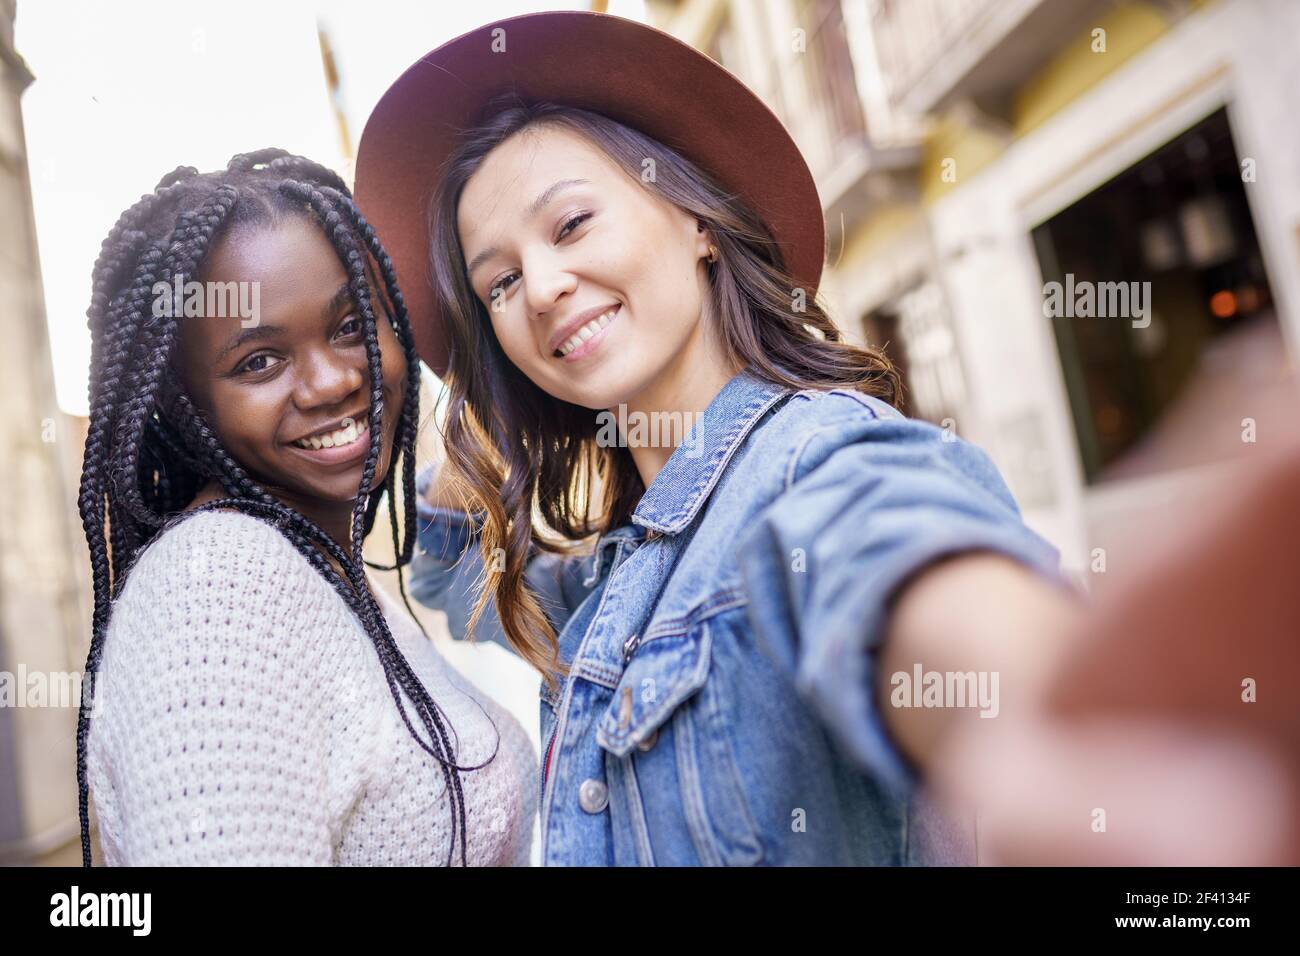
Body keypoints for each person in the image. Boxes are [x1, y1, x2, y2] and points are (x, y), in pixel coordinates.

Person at [355, 12, 1083, 866]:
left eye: (572, 225)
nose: (543, 286)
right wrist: (491, 386)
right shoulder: (613, 580)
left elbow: (927, 587)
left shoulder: (820, 464)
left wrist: (1064, 733)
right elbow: (445, 572)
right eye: (501, 281)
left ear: (698, 221)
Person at [77, 149, 535, 866]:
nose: (330, 381)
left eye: (353, 326)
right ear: (182, 405)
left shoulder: (319, 563)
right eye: (259, 361)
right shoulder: (216, 593)